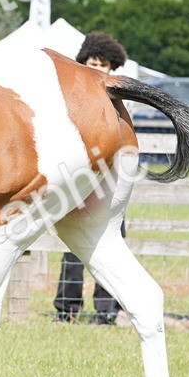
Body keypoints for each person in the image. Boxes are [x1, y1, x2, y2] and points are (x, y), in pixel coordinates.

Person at [53, 32, 128, 325]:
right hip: (78, 184)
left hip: (110, 185)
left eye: (103, 66)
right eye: (92, 64)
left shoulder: (119, 102)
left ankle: (107, 311)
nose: (98, 70)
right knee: (73, 246)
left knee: (112, 248)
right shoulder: (70, 99)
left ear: (112, 69)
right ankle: (67, 309)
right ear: (83, 63)